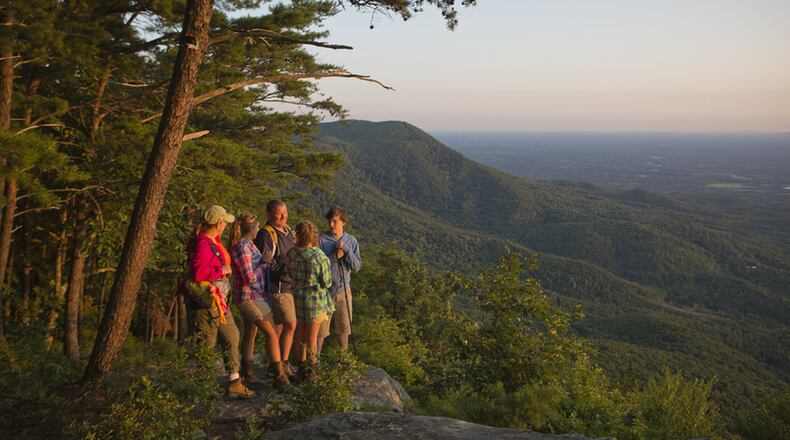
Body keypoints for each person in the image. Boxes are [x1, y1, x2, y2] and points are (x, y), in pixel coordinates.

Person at [185, 205, 255, 399]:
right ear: (218, 223)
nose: (226, 225)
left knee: (232, 335)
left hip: (218, 301)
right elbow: (198, 273)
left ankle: (234, 381)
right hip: (206, 301)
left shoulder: (211, 241)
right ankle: (203, 388)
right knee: (207, 343)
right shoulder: (201, 244)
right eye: (224, 221)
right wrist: (221, 271)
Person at [229, 212, 290, 390]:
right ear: (251, 229)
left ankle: (247, 372)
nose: (259, 230)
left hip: (257, 297)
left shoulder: (251, 246)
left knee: (251, 333)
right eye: (256, 227)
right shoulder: (242, 248)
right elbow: (249, 278)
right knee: (271, 332)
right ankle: (279, 377)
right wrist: (264, 263)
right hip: (247, 297)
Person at [254, 200, 297, 377]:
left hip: (288, 285)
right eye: (279, 213)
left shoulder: (288, 231)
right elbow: (265, 265)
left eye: (285, 212)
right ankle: (282, 365)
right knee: (290, 324)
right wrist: (288, 265)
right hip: (277, 287)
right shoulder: (266, 235)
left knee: (279, 327)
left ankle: (276, 365)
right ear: (269, 214)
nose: (283, 216)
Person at [287, 220, 334, 381]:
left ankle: (301, 369)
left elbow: (289, 273)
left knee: (300, 336)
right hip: (315, 301)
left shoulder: (292, 253)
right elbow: (327, 282)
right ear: (315, 237)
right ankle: (312, 371)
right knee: (312, 339)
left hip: (297, 299)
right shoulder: (319, 257)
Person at [317, 206, 361, 353]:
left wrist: (346, 250)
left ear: (343, 222)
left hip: (344, 291)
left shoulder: (351, 241)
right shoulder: (322, 241)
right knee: (321, 331)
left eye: (334, 221)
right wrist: (335, 257)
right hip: (325, 292)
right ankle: (315, 362)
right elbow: (317, 268)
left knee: (344, 329)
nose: (331, 225)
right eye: (329, 221)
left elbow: (356, 266)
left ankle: (344, 361)